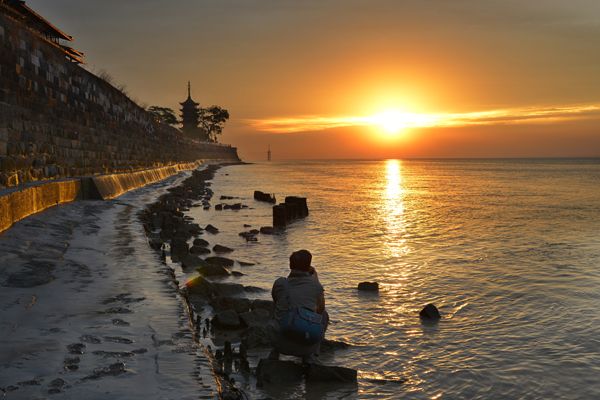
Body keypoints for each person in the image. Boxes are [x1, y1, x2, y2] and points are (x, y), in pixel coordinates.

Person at [268, 249, 329, 364]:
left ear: (290, 265)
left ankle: (275, 353)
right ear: (309, 266)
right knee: (324, 315)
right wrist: (315, 276)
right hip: (308, 346)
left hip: (282, 345)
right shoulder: (316, 286)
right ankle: (312, 355)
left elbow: (276, 300)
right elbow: (320, 310)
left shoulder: (280, 283)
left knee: (276, 310)